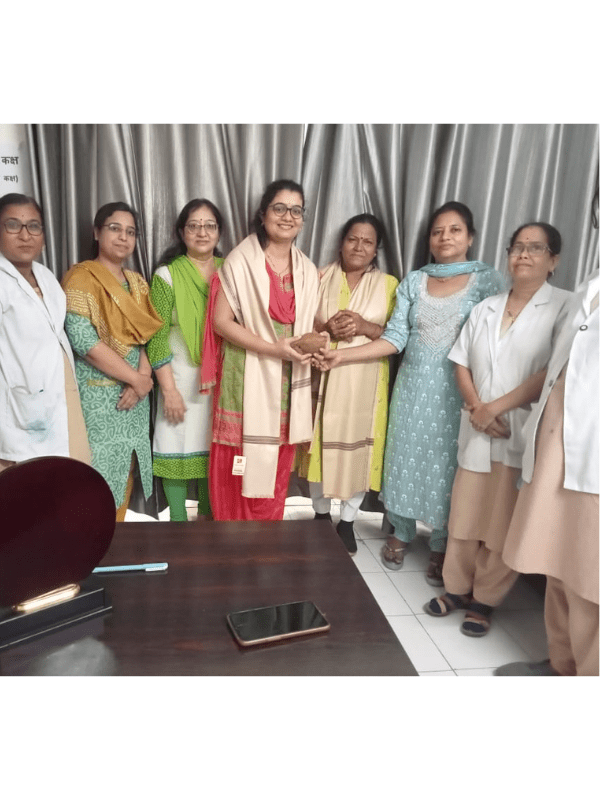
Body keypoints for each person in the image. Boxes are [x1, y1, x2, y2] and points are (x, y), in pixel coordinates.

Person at [317, 201, 504, 584]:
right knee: (402, 460)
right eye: (438, 231)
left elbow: (500, 338)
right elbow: (395, 338)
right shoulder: (414, 281)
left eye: (454, 230)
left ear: (470, 237)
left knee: (447, 467)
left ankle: (440, 544)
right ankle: (400, 533)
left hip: (459, 392)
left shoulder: (488, 281)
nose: (445, 237)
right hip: (412, 388)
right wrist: (342, 358)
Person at [424, 222, 572, 635]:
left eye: (535, 248)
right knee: (464, 515)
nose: (523, 254)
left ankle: (485, 600)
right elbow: (461, 361)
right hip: (478, 427)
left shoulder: (566, 306)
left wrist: (494, 410)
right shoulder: (486, 307)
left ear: (553, 260)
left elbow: (553, 372)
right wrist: (478, 409)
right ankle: (456, 589)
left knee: (501, 522)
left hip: (519, 430)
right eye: (517, 247)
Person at [495, 269, 598, 675]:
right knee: (557, 561)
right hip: (558, 445)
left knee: (588, 577)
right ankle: (561, 665)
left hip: (592, 455)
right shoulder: (590, 286)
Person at [201, 179, 319, 521]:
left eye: (295, 210)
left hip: (286, 383)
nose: (287, 216)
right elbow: (221, 323)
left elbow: (306, 326)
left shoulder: (308, 270)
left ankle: (266, 542)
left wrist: (318, 344)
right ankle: (231, 542)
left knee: (276, 465)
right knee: (238, 468)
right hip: (245, 379)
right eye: (279, 208)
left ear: (302, 219)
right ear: (263, 214)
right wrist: (272, 349)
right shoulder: (240, 262)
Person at [297, 213, 398, 554]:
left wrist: (365, 327)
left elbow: (398, 336)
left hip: (365, 383)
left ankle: (348, 521)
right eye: (353, 238)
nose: (359, 246)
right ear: (341, 243)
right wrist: (327, 327)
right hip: (321, 377)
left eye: (367, 241)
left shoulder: (389, 285)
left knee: (359, 451)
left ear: (376, 249)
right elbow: (299, 326)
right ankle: (320, 516)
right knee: (319, 448)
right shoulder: (318, 277)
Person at [62, 202, 163, 521]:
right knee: (96, 474)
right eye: (115, 229)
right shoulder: (81, 278)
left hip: (136, 398)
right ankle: (92, 544)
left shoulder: (138, 283)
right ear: (97, 232)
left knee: (125, 472)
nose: (123, 237)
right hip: (98, 398)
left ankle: (115, 540)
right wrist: (136, 380)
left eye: (130, 232)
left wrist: (143, 379)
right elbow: (83, 341)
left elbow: (149, 335)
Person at [0, 193, 91, 472]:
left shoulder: (46, 276)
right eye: (13, 225)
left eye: (34, 226)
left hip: (62, 395)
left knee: (70, 476)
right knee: (23, 484)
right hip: (16, 406)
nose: (25, 235)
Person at [147, 199, 225, 523]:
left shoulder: (231, 272)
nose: (202, 232)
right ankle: (177, 524)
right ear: (182, 232)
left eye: (209, 225)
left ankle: (208, 521)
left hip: (222, 380)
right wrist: (169, 391)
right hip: (177, 378)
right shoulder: (166, 275)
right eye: (194, 225)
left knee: (215, 450)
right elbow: (156, 337)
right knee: (175, 445)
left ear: (219, 232)